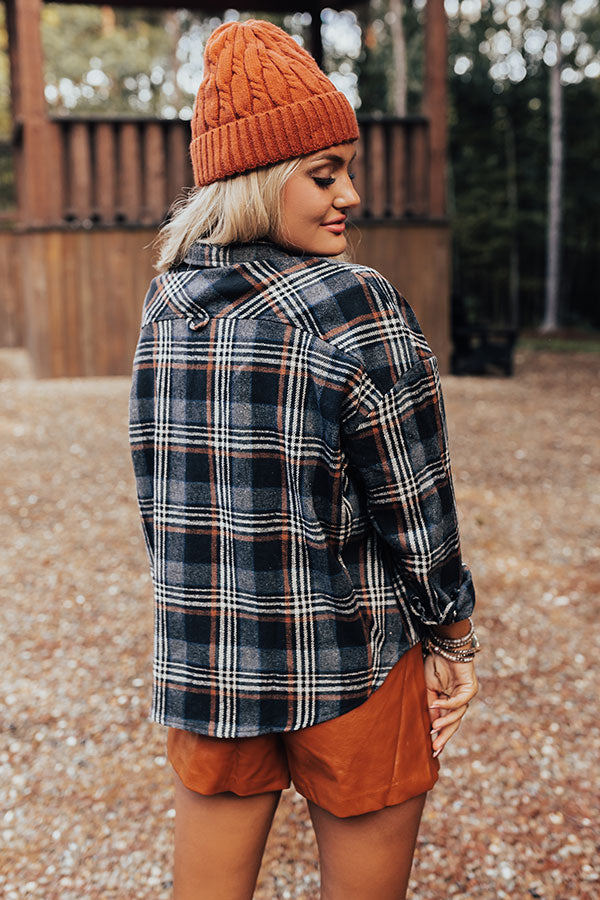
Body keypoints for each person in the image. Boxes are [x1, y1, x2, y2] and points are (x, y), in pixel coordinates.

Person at [129, 18, 479, 900]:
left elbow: (159, 498)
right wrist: (452, 633)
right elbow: (415, 501)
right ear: (257, 178)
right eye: (324, 174)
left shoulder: (165, 307)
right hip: (350, 660)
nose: (349, 195)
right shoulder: (351, 303)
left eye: (346, 171)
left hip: (210, 667)